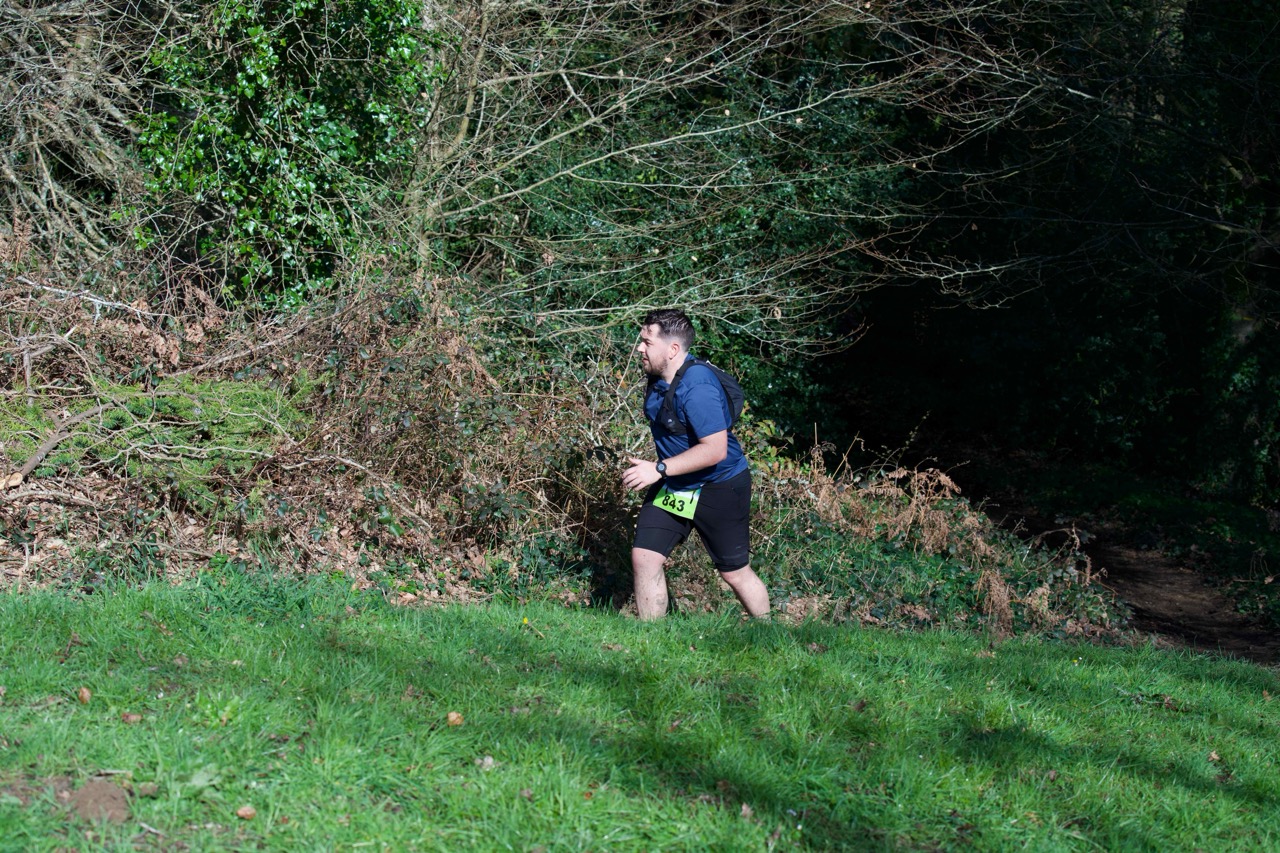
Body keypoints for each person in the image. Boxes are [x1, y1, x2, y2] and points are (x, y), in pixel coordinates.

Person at [621, 308, 770, 619]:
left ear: (673, 349)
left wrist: (658, 469)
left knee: (734, 572)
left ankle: (769, 633)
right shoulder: (658, 378)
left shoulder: (698, 387)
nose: (639, 349)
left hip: (720, 487)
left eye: (647, 342)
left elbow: (714, 450)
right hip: (678, 483)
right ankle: (648, 640)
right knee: (645, 557)